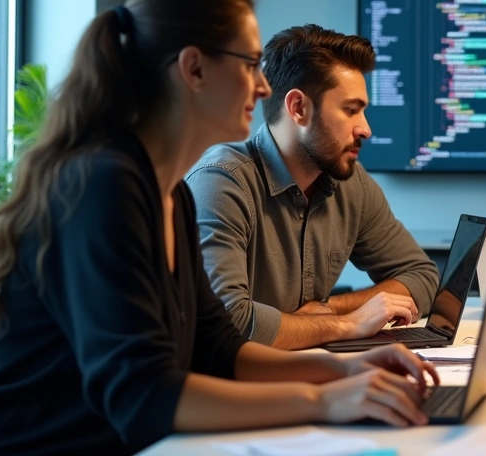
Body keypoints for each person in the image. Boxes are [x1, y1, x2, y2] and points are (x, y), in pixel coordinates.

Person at [0, 0, 440, 455]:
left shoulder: (168, 193)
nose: (264, 89)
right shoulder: (104, 184)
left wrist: (344, 369)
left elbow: (218, 348)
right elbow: (144, 395)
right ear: (193, 70)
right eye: (250, 64)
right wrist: (323, 400)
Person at [187, 24, 439, 350]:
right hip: (233, 390)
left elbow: (422, 276)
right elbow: (228, 322)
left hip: (305, 371)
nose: (365, 129)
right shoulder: (221, 183)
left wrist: (329, 310)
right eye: (351, 110)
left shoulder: (350, 183)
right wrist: (347, 323)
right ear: (298, 108)